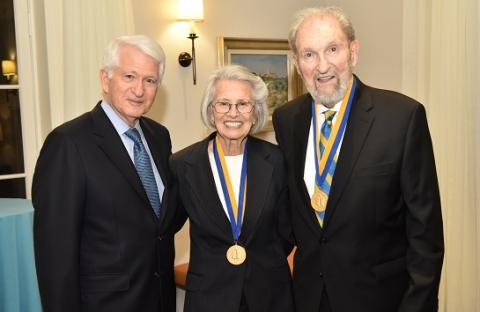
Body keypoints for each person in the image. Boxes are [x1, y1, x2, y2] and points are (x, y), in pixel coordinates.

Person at [273, 7, 444, 312]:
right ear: (298, 65)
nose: (322, 66)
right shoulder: (286, 120)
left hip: (380, 300)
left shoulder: (402, 117)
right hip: (309, 298)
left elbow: (425, 235)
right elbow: (289, 218)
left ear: (354, 51)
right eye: (309, 54)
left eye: (333, 49)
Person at [32, 35, 178, 312]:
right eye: (129, 76)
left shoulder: (159, 137)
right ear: (105, 79)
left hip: (159, 301)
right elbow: (55, 254)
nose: (139, 90)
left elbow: (160, 223)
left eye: (150, 80)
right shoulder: (68, 143)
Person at [171, 65, 294, 312]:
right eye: (224, 104)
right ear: (210, 110)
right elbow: (166, 226)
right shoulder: (183, 165)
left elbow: (286, 232)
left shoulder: (278, 160)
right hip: (209, 297)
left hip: (270, 295)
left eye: (243, 104)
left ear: (256, 111)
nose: (233, 113)